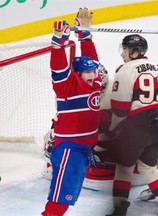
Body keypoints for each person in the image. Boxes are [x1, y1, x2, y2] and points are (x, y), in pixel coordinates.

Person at [103, 34, 158, 216]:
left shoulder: (125, 69)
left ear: (135, 52)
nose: (122, 54)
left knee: (124, 167)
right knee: (148, 168)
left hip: (139, 126)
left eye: (125, 50)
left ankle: (119, 211)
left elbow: (120, 109)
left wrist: (112, 128)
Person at [41, 8, 103, 216]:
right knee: (60, 198)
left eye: (94, 71)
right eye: (87, 72)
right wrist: (58, 44)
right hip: (69, 150)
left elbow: (92, 61)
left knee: (67, 196)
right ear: (77, 74)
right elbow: (58, 69)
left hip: (83, 151)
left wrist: (84, 35)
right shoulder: (67, 87)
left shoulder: (95, 83)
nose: (93, 74)